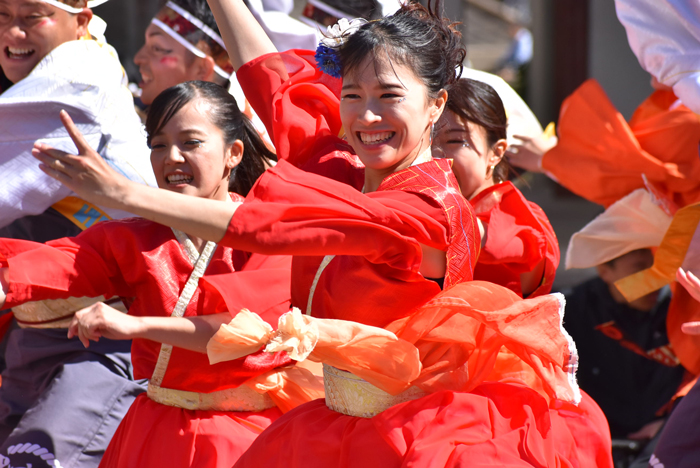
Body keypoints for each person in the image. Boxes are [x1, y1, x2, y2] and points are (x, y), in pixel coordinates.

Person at [31, 0, 611, 465]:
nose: (368, 115)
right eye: (353, 97)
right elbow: (275, 87)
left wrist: (127, 194)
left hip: (407, 442)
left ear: (436, 106)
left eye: (389, 97)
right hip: (330, 426)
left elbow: (271, 226)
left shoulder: (428, 211)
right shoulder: (342, 169)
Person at [0, 81, 307, 468]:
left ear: (233, 153)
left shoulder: (272, 236)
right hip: (156, 431)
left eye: (190, 143)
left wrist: (135, 326)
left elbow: (241, 332)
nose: (171, 158)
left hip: (248, 438)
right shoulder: (135, 239)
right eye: (158, 145)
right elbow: (59, 264)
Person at [0, 1, 156, 466]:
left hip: (108, 334)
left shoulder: (78, 69)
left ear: (81, 20)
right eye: (2, 15)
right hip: (47, 329)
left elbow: (10, 186)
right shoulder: (71, 64)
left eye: (31, 17)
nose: (13, 31)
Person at [563, 189, 686, 464]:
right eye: (640, 268)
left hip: (669, 443)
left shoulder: (681, 308)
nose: (653, 279)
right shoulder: (570, 312)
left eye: (657, 266)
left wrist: (670, 424)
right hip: (590, 444)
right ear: (605, 270)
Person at [433, 78, 559, 298]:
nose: (435, 155)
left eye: (454, 141)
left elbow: (515, 248)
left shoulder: (524, 221)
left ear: (497, 152)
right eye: (425, 141)